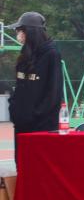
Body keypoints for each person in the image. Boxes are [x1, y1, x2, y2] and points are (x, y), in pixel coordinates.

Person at [9, 11, 62, 158]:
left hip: (41, 126)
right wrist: (14, 110)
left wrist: (34, 115)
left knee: (38, 164)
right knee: (21, 163)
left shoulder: (51, 55)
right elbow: (19, 87)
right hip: (21, 125)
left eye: (20, 30)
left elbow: (53, 93)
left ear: (30, 31)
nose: (18, 34)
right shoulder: (25, 55)